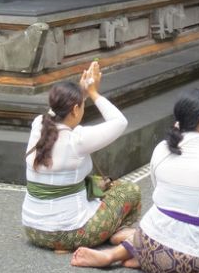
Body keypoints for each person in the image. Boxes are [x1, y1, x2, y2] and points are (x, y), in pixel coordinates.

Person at [71, 87, 199, 273]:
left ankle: (115, 255)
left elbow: (160, 195)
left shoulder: (162, 148)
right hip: (197, 263)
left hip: (149, 249)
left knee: (163, 218)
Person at [22, 60, 140, 251]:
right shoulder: (77, 140)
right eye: (81, 106)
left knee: (93, 184)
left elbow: (58, 112)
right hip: (71, 234)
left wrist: (80, 93)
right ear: (76, 109)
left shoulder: (38, 124)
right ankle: (118, 232)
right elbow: (120, 122)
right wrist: (93, 93)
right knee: (129, 190)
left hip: (33, 230)